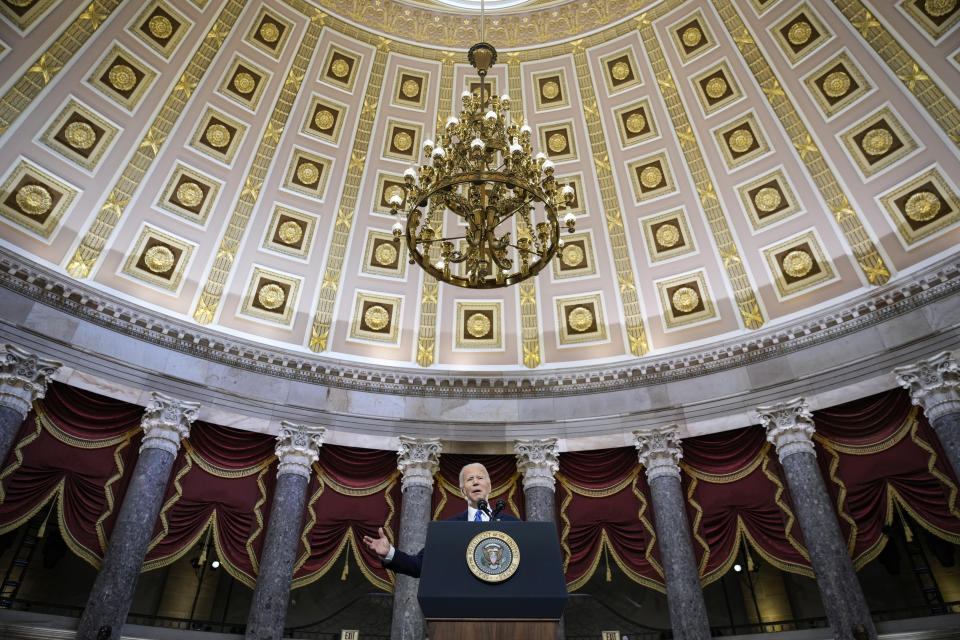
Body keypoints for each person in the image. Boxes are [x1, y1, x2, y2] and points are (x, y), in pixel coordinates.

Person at [362, 462, 520, 577]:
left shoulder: (514, 525)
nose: (476, 482)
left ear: (489, 487)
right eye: (469, 479)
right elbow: (421, 565)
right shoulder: (447, 528)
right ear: (463, 490)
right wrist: (389, 553)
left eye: (480, 478)